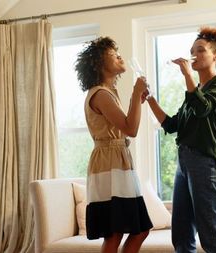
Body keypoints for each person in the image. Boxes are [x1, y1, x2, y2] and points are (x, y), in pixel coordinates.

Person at [145, 27, 216, 253]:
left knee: (211, 237)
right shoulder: (195, 92)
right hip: (184, 164)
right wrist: (150, 98)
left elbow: (203, 108)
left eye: (200, 50)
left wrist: (187, 75)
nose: (194, 54)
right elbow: (172, 125)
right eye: (192, 50)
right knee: (182, 236)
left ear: (215, 55)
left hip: (207, 164)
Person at [75, 36, 152, 253]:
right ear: (100, 64)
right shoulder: (100, 95)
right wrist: (136, 93)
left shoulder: (108, 94)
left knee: (138, 230)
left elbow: (129, 126)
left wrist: (136, 99)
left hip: (117, 161)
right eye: (112, 54)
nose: (119, 56)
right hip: (109, 164)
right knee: (115, 232)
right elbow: (132, 129)